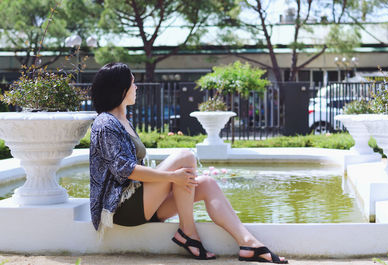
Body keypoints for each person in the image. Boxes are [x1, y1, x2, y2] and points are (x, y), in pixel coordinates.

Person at [89, 62, 288, 264]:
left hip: (141, 202)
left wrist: (172, 180)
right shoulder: (105, 123)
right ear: (121, 88)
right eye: (133, 83)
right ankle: (188, 232)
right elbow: (125, 170)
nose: (137, 87)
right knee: (185, 156)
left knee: (207, 184)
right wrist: (171, 177)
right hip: (120, 209)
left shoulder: (124, 120)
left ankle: (248, 244)